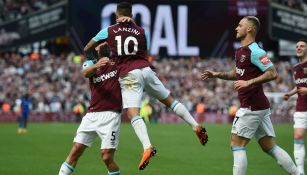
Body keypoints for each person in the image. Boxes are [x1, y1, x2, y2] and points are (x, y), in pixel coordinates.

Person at [84, 2, 208, 170]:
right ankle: (195, 126)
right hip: (146, 70)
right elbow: (145, 52)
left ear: (116, 15)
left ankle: (147, 146)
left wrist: (96, 60)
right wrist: (133, 25)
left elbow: (88, 47)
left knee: (133, 113)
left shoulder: (109, 30)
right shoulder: (142, 32)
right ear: (131, 15)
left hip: (129, 74)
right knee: (170, 101)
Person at [201, 16, 298, 175]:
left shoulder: (255, 51)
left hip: (251, 106)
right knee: (269, 146)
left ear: (249, 29)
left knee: (236, 144)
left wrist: (249, 82)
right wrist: (216, 74)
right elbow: (238, 73)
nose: (236, 28)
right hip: (258, 106)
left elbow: (273, 73)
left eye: (240, 25)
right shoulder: (240, 51)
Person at [58, 43, 122, 175]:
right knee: (76, 150)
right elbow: (86, 73)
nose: (103, 44)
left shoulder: (117, 64)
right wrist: (98, 65)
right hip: (92, 114)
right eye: (99, 44)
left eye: (106, 42)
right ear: (96, 50)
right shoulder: (90, 64)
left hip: (111, 115)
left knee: (106, 157)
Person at [283, 39, 307, 175]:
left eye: (302, 46)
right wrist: (290, 93)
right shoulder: (296, 68)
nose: (299, 48)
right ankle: (300, 171)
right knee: (298, 136)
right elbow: (299, 86)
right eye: (297, 46)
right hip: (301, 107)